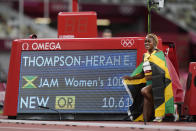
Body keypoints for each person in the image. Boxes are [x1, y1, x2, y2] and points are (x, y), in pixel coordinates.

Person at [123, 33, 175, 123]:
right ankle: (155, 109)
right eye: (145, 41)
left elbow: (162, 72)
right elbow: (143, 74)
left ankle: (159, 111)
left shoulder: (159, 55)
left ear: (154, 43)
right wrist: (131, 78)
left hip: (161, 83)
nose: (146, 43)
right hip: (150, 84)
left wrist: (151, 77)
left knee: (144, 91)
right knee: (146, 119)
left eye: (149, 42)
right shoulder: (145, 56)